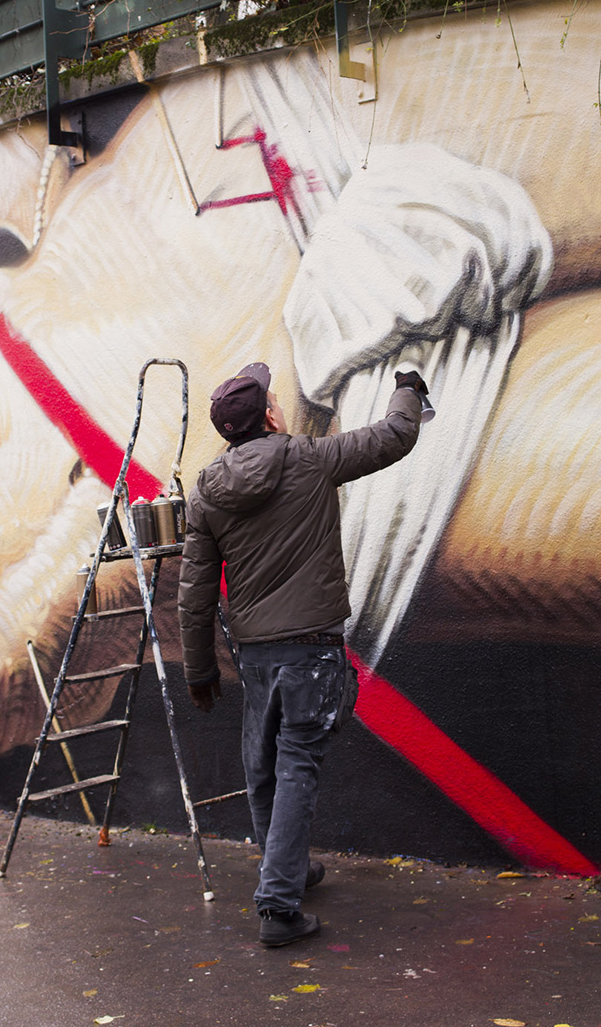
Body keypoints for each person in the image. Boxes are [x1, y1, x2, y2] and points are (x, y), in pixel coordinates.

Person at [177, 361, 425, 946]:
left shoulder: (207, 492)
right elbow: (397, 435)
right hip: (311, 650)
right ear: (268, 415)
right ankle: (279, 908)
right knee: (295, 768)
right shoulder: (309, 458)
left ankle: (285, 871)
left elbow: (194, 594)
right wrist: (408, 389)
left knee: (263, 766)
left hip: (256, 652)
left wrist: (199, 669)